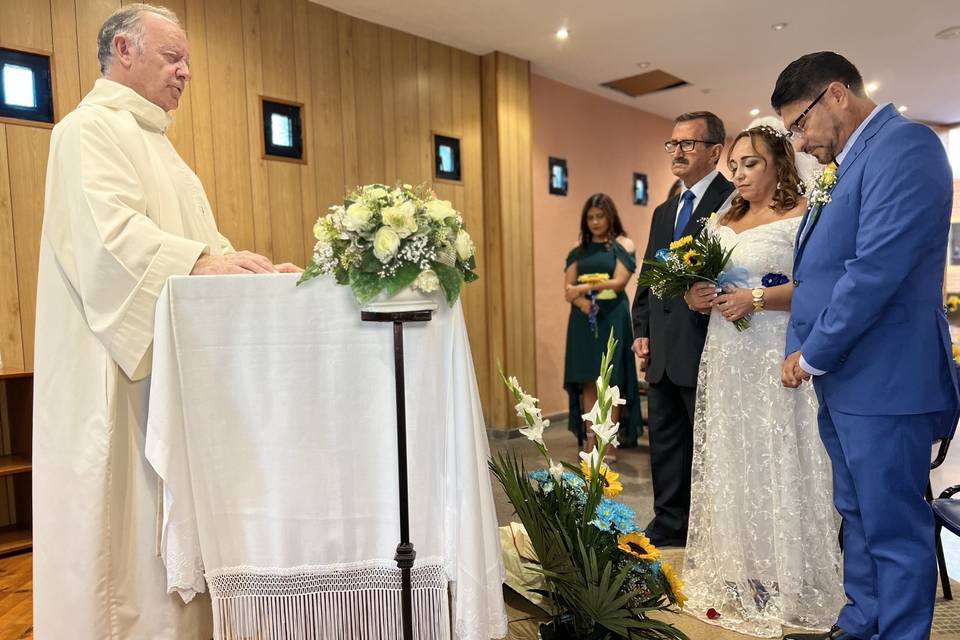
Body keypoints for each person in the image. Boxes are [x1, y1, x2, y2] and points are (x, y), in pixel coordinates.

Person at [32, 5, 300, 638]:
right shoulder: (86, 131)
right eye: (172, 57)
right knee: (119, 548)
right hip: (114, 379)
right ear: (124, 50)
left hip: (165, 381)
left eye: (187, 62)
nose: (185, 73)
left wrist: (255, 272)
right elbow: (113, 244)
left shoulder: (160, 147)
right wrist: (210, 263)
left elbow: (203, 249)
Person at [774, 52, 959, 640]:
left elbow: (874, 270)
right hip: (849, 377)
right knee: (857, 514)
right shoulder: (849, 163)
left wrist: (814, 351)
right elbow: (820, 267)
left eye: (799, 124)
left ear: (835, 95)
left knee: (894, 524)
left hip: (886, 375)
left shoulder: (906, 146)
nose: (798, 142)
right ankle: (862, 622)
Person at [681, 126, 845, 637]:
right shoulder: (721, 217)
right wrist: (698, 295)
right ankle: (738, 569)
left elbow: (821, 286)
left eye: (750, 163)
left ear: (778, 163)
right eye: (735, 164)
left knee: (780, 453)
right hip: (727, 355)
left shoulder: (803, 215)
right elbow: (691, 288)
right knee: (733, 454)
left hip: (777, 350)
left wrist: (754, 299)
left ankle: (786, 575)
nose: (740, 173)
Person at [631, 111, 734, 547]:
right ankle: (669, 522)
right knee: (667, 442)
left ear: (715, 151)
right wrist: (641, 327)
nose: (677, 151)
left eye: (687, 144)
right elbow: (651, 272)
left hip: (706, 341)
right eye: (672, 144)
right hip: (663, 346)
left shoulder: (734, 201)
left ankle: (711, 531)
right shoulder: (665, 208)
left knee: (709, 449)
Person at [563, 193, 642, 452]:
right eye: (590, 217)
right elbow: (568, 289)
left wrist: (584, 286)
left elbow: (619, 282)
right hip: (583, 318)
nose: (595, 222)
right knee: (588, 380)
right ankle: (590, 441)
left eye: (600, 216)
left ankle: (608, 444)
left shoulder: (622, 244)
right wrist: (582, 302)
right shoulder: (579, 248)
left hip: (612, 316)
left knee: (611, 380)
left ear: (611, 217)